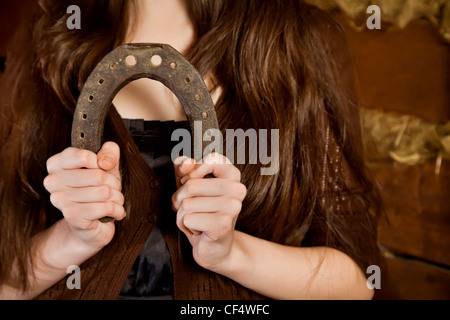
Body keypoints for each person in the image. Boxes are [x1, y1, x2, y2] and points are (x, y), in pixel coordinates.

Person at [0, 0, 381, 300]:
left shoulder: (299, 39)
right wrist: (72, 240)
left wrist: (230, 254)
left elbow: (356, 281)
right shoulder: (48, 39)